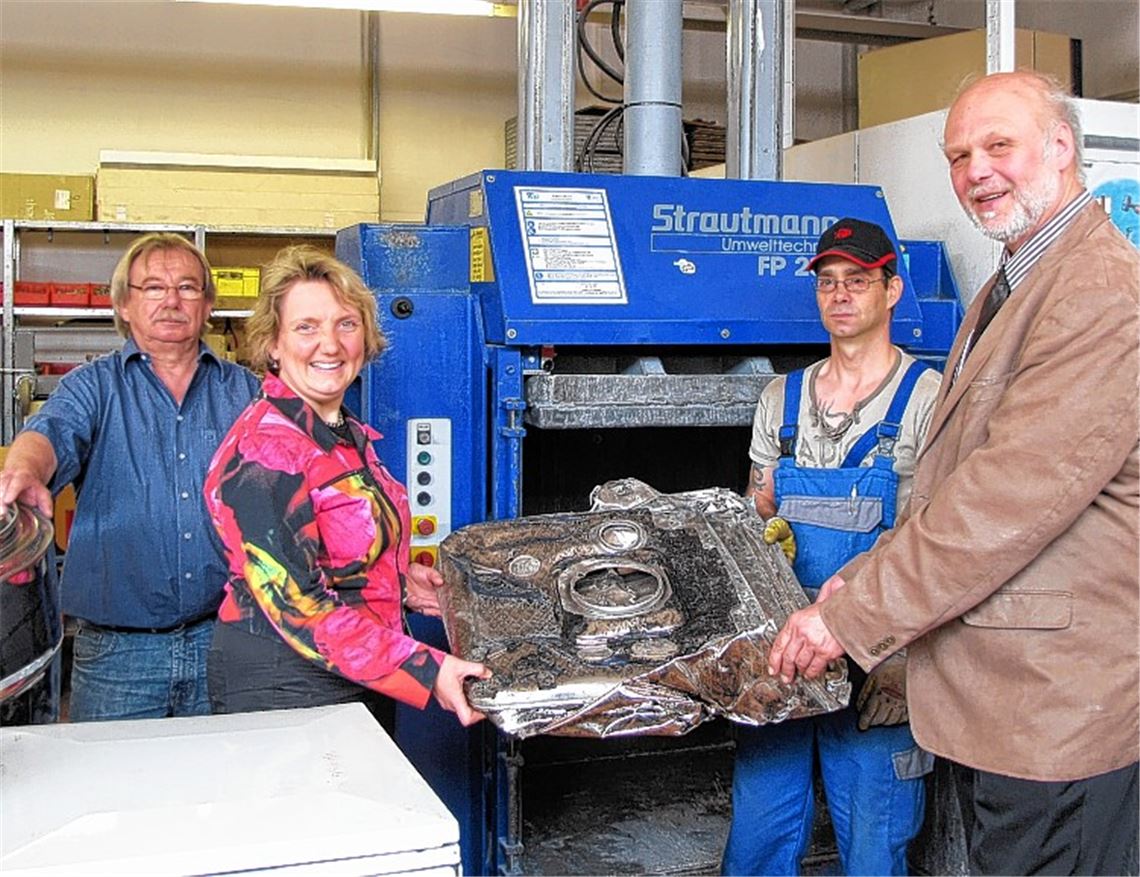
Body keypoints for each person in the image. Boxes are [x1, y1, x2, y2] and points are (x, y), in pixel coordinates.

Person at [767, 71, 1139, 876]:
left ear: (1062, 148)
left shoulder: (1099, 291)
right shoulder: (1012, 283)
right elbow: (950, 483)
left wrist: (851, 613)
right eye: (958, 154)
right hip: (1001, 699)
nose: (976, 171)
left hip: (1057, 710)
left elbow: (1008, 498)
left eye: (998, 145)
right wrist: (859, 575)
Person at [722, 218, 941, 876]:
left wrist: (890, 642)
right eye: (828, 282)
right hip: (785, 657)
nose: (840, 295)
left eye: (858, 281)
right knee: (759, 831)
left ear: (892, 289)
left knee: (877, 844)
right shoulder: (779, 398)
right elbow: (755, 513)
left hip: (879, 664)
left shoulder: (930, 399)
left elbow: (939, 537)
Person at [204, 245, 489, 728]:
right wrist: (427, 670)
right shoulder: (265, 454)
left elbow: (341, 553)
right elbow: (300, 607)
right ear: (273, 344)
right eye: (306, 327)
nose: (330, 345)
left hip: (357, 673)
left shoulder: (342, 434)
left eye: (346, 324)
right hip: (285, 690)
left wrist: (399, 584)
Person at [0, 233, 261, 721]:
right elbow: (49, 433)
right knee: (110, 792)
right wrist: (24, 469)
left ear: (207, 304)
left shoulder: (243, 390)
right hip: (119, 658)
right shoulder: (92, 386)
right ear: (123, 304)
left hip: (225, 640)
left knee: (221, 790)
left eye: (187, 287)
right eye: (153, 288)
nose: (171, 300)